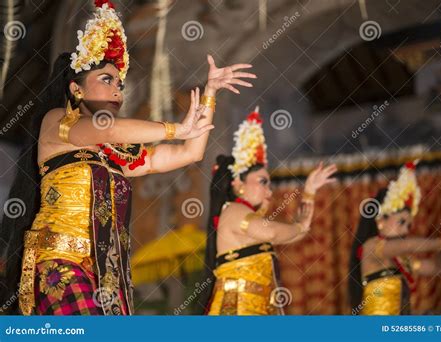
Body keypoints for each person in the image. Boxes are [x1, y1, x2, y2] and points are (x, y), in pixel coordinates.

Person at [0, 0, 256, 315]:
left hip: (109, 277)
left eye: (120, 84)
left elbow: (191, 152)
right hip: (61, 262)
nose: (119, 91)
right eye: (107, 80)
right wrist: (177, 127)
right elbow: (106, 130)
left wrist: (210, 94)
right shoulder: (57, 124)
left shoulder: (116, 155)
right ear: (76, 89)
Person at [198, 108, 337, 315]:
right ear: (238, 184)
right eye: (263, 182)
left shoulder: (250, 218)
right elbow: (273, 232)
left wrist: (309, 192)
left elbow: (296, 232)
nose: (269, 191)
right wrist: (299, 226)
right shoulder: (233, 211)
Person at [348, 162, 441, 315]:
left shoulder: (402, 260)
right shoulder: (371, 247)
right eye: (401, 222)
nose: (406, 229)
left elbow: (438, 267)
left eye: (408, 225)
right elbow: (408, 245)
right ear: (381, 221)